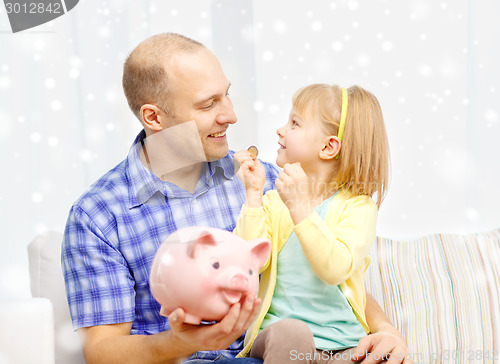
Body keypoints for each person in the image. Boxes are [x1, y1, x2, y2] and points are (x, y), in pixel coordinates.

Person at [61, 33, 411, 364]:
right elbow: (102, 351)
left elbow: (326, 276)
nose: (230, 115)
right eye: (209, 103)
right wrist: (181, 342)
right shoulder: (98, 216)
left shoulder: (270, 180)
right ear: (154, 117)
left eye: (226, 94)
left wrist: (385, 330)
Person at [233, 84, 412, 363]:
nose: (280, 130)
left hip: (343, 345)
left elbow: (335, 269)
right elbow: (247, 264)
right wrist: (253, 196)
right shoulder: (274, 200)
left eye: (294, 123)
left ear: (328, 147)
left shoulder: (358, 207)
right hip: (282, 340)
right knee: (292, 333)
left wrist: (299, 207)